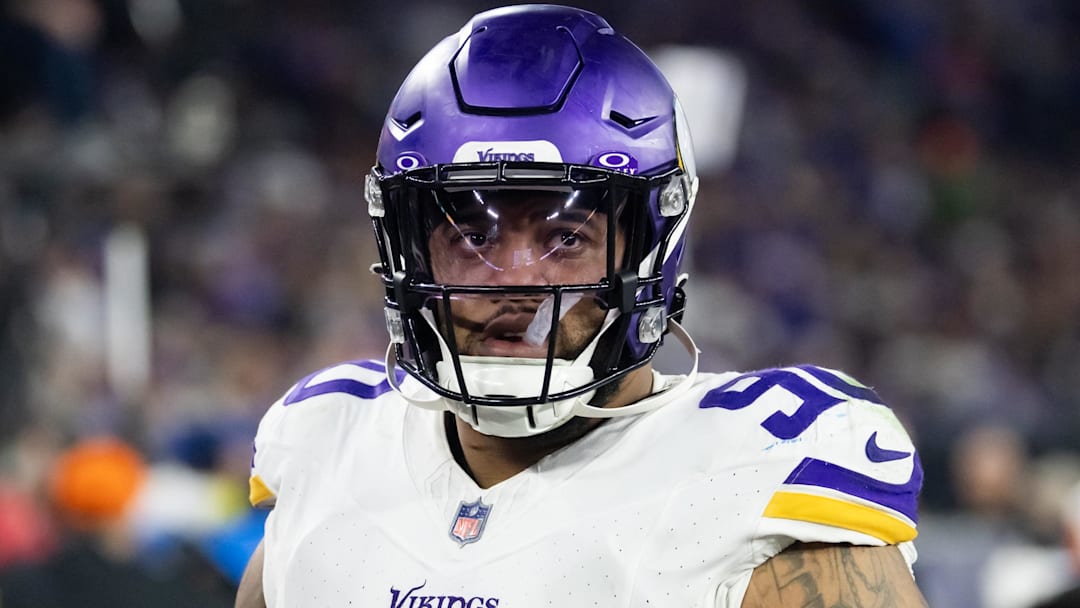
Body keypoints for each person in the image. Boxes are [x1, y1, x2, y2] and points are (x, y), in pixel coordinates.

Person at [236, 5, 928, 607]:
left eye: (565, 236)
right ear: (408, 248)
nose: (512, 277)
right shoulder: (327, 445)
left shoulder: (758, 468)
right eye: (471, 235)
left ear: (651, 246)